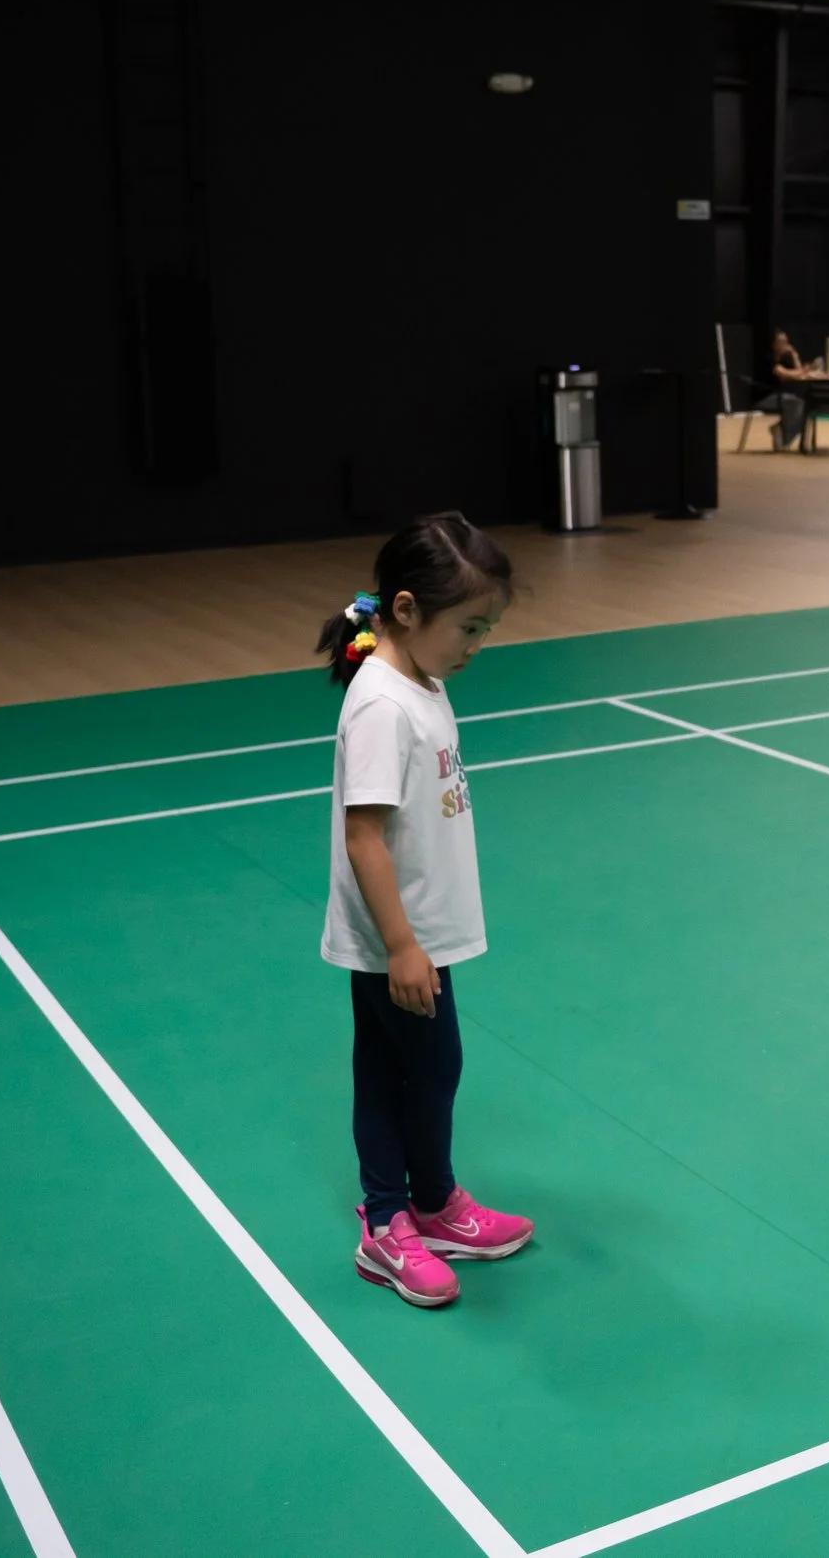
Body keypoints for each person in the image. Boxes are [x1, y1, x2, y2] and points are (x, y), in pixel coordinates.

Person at [315, 512, 537, 1308]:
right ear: (406, 610)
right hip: (394, 936)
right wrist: (405, 945)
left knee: (384, 1066)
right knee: (431, 1066)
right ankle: (409, 1213)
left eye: (488, 627)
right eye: (469, 626)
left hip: (409, 930)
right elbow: (364, 836)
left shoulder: (421, 678)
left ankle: (405, 1209)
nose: (477, 643)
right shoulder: (383, 705)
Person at [760, 328, 814, 450]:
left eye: (786, 341)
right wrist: (805, 370)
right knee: (798, 404)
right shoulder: (770, 360)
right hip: (767, 397)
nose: (785, 345)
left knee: (805, 409)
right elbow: (786, 374)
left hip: (784, 397)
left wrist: (794, 356)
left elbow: (799, 373)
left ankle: (782, 436)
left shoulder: (786, 359)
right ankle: (780, 431)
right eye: (781, 342)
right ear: (773, 344)